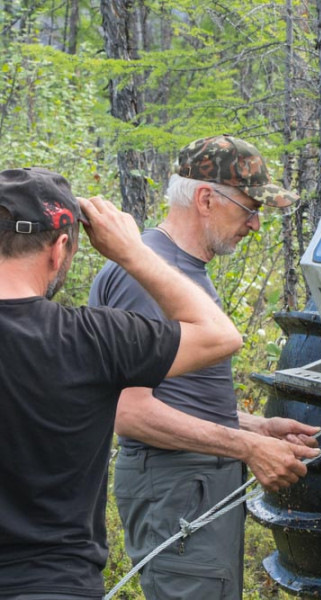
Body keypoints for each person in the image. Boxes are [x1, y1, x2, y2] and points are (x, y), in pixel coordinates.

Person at [89, 135, 320, 599]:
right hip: (176, 485)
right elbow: (129, 412)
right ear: (206, 198)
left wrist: (258, 427)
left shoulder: (180, 269)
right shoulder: (150, 275)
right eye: (249, 208)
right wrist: (246, 448)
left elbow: (174, 394)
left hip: (192, 480)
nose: (256, 224)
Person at [0, 167, 244, 599]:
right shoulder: (93, 338)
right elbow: (220, 336)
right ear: (59, 249)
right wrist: (133, 253)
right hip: (54, 585)